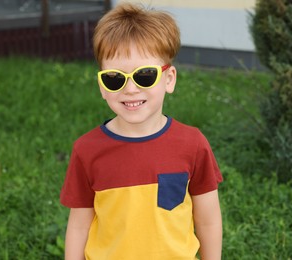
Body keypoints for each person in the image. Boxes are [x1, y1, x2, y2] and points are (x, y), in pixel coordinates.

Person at [60, 3, 223, 260]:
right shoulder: (87, 150)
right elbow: (79, 225)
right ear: (102, 86)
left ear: (169, 80)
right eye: (115, 78)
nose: (130, 89)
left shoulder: (192, 143)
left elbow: (208, 221)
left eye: (144, 76)